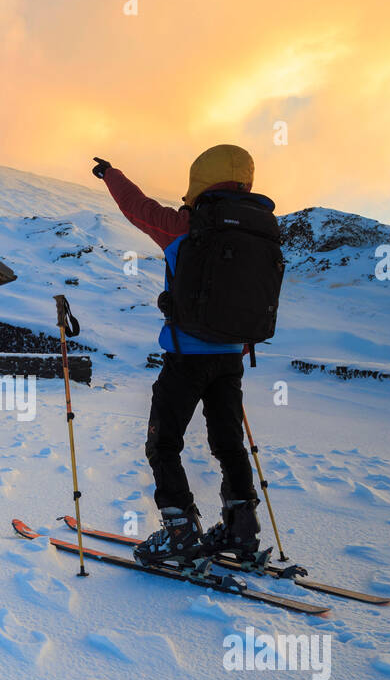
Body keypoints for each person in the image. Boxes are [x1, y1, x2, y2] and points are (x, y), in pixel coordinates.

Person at [92, 144, 270, 565]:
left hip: (187, 355)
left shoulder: (185, 226)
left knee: (163, 443)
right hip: (231, 357)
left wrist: (111, 174)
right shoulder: (261, 231)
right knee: (229, 444)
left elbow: (138, 208)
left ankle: (180, 533)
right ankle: (242, 530)